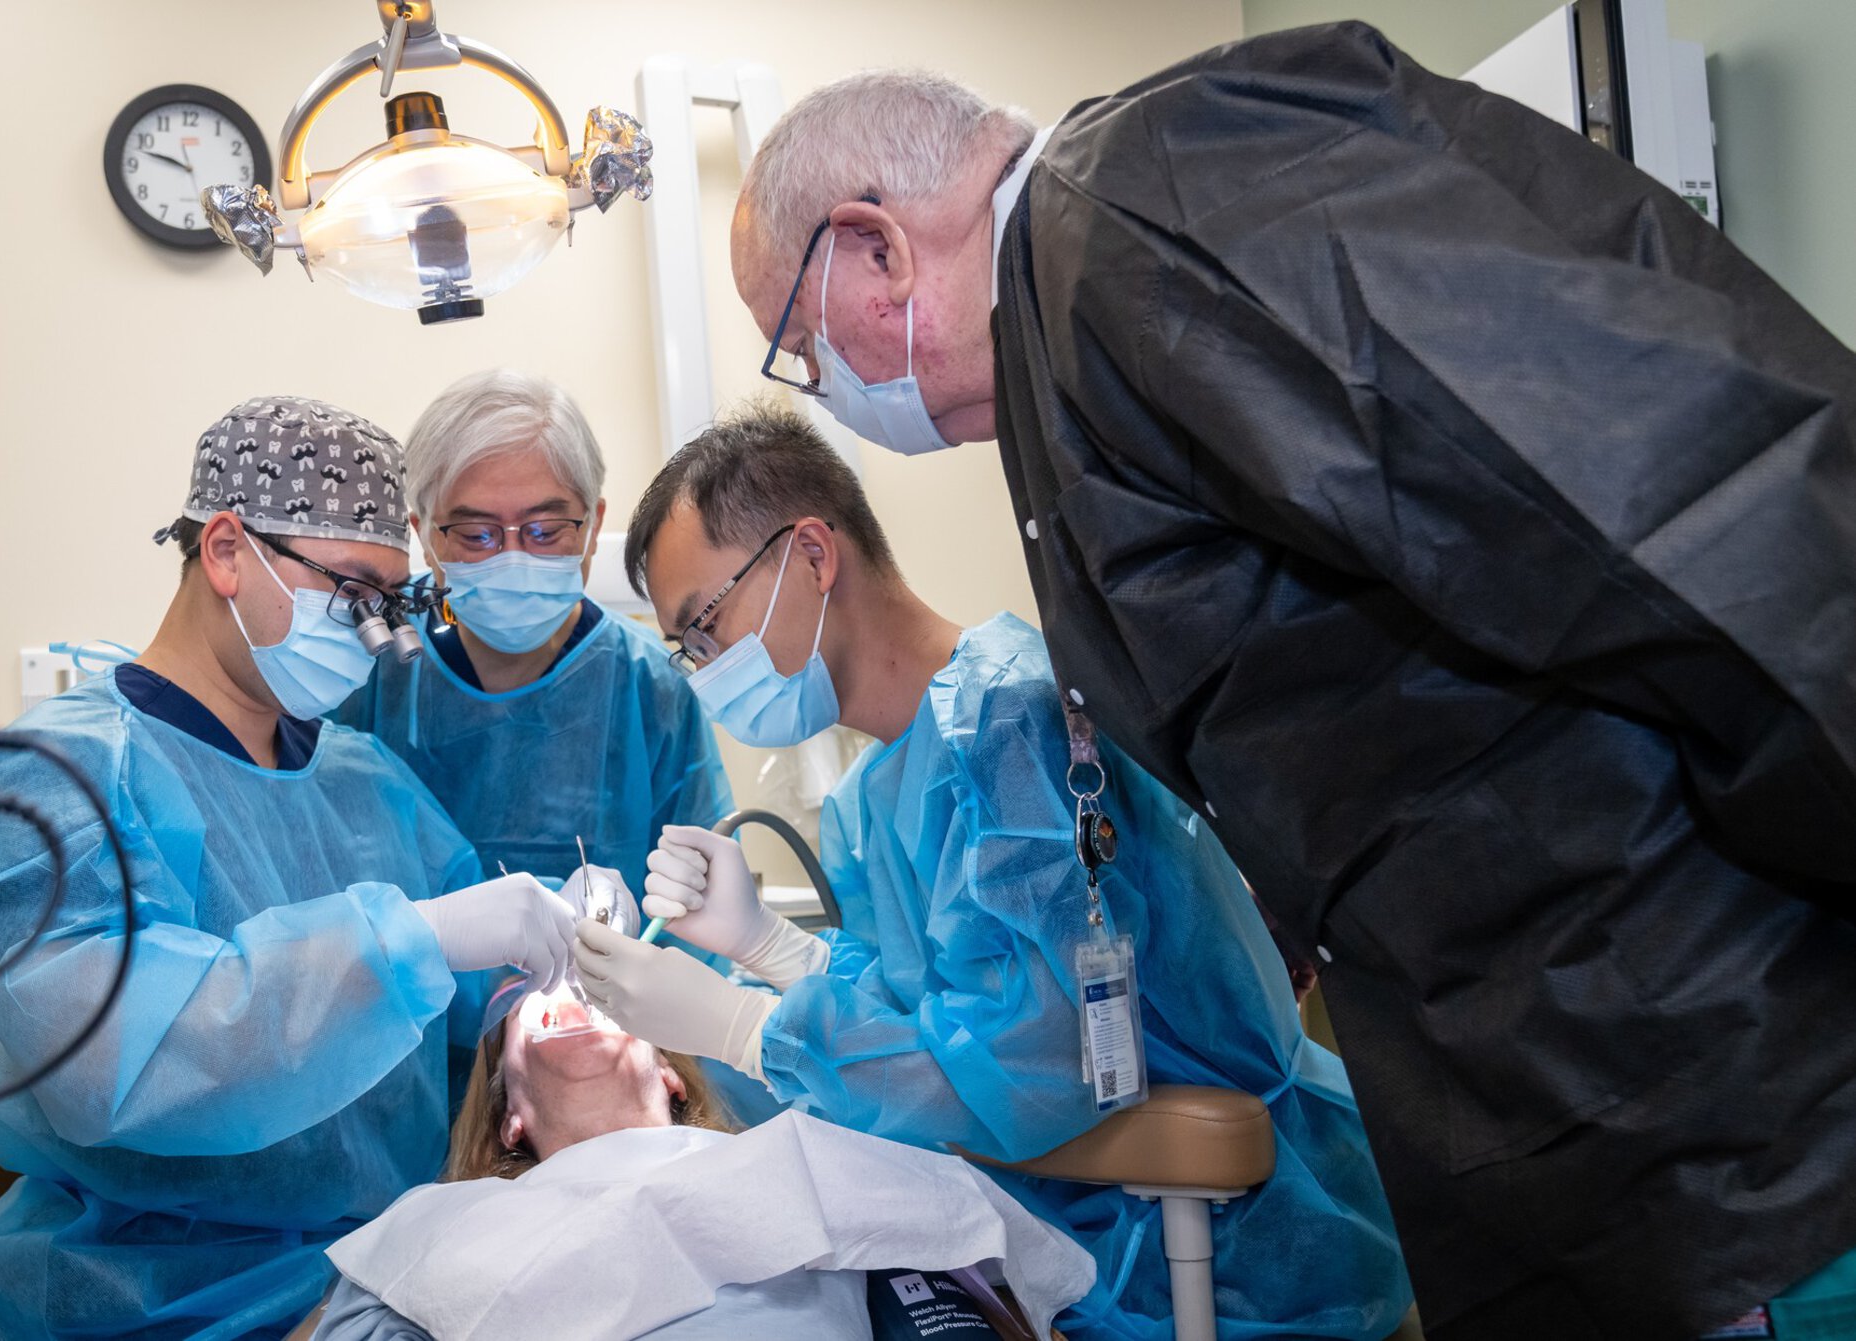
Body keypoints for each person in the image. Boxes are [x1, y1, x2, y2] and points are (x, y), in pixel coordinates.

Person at [723, 31, 1856, 1340]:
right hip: (1581, 1099)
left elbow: (1685, 517)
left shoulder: (1145, 205)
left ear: (875, 246)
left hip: (1731, 1089)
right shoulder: (1073, 335)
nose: (828, 395)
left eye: (802, 347)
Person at [572, 407, 1410, 1340]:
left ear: (811, 553)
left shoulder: (1007, 723)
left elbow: (1034, 1066)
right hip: (1065, 1248)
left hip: (1220, 1253)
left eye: (707, 625)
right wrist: (773, 947)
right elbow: (932, 1018)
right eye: (687, 648)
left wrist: (743, 1027)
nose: (705, 671)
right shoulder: (872, 792)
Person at [0, 395, 580, 1340]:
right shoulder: (60, 778)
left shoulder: (363, 779)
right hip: (138, 1292)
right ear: (224, 550)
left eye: (393, 603)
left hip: (377, 1273)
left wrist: (533, 990)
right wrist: (409, 936)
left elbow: (467, 1002)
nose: (375, 634)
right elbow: (113, 1057)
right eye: (351, 595)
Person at [304, 980, 1095, 1340]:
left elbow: (973, 1256)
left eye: (595, 983)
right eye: (536, 987)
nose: (571, 991)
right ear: (510, 1113)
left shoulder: (798, 1160)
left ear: (673, 1070)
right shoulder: (436, 1223)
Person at [334, 369, 733, 885]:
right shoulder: (364, 654)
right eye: (477, 534)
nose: (514, 558)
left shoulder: (648, 687)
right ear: (425, 535)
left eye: (546, 531)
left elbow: (700, 897)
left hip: (607, 966)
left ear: (591, 527)